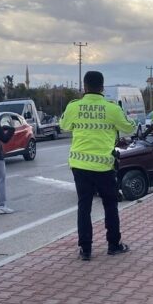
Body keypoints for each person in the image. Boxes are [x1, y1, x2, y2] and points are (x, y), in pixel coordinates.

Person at [61, 71, 136, 261]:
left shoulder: (74, 107)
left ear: (84, 87)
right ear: (102, 87)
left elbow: (64, 126)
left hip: (79, 165)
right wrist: (130, 118)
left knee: (83, 206)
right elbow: (129, 128)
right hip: (104, 166)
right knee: (110, 205)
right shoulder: (111, 109)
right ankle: (113, 244)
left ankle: (85, 249)